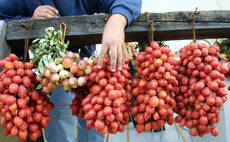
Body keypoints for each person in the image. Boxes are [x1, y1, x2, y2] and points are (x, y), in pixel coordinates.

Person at [0, 0, 142, 142]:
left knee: (94, 126)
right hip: (53, 72)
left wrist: (117, 22)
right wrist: (30, 20)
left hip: (87, 67)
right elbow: (3, 15)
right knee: (59, 124)